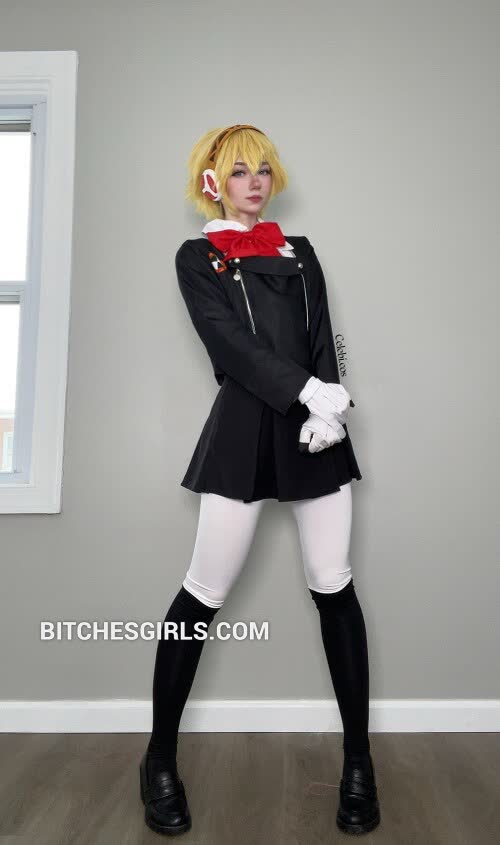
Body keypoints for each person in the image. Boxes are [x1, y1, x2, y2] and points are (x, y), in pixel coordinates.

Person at [140, 124, 380, 836]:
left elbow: (325, 336)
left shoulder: (300, 253)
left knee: (334, 586)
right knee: (202, 593)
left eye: (264, 170)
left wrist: (332, 404)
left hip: (314, 429)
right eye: (240, 170)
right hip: (246, 427)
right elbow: (230, 345)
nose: (255, 182)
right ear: (212, 181)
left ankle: (359, 763)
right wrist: (305, 390)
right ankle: (158, 759)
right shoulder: (198, 256)